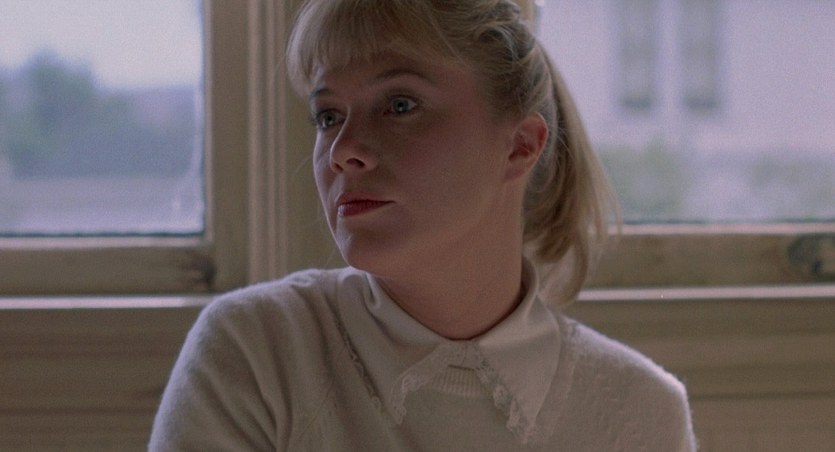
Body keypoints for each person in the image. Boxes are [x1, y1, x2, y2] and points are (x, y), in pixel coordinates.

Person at [149, 0, 697, 450]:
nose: (344, 151)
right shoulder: (256, 354)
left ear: (520, 145)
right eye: (329, 116)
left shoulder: (640, 413)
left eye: (399, 104)